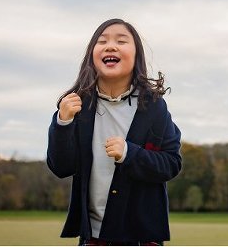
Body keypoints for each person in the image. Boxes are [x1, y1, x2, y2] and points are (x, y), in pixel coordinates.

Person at [47, 18, 182, 246]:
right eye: (102, 41)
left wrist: (130, 153)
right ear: (92, 55)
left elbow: (171, 163)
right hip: (93, 237)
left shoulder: (154, 107)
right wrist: (63, 123)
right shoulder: (76, 106)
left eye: (121, 41)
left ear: (136, 55)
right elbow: (61, 167)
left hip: (141, 237)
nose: (111, 46)